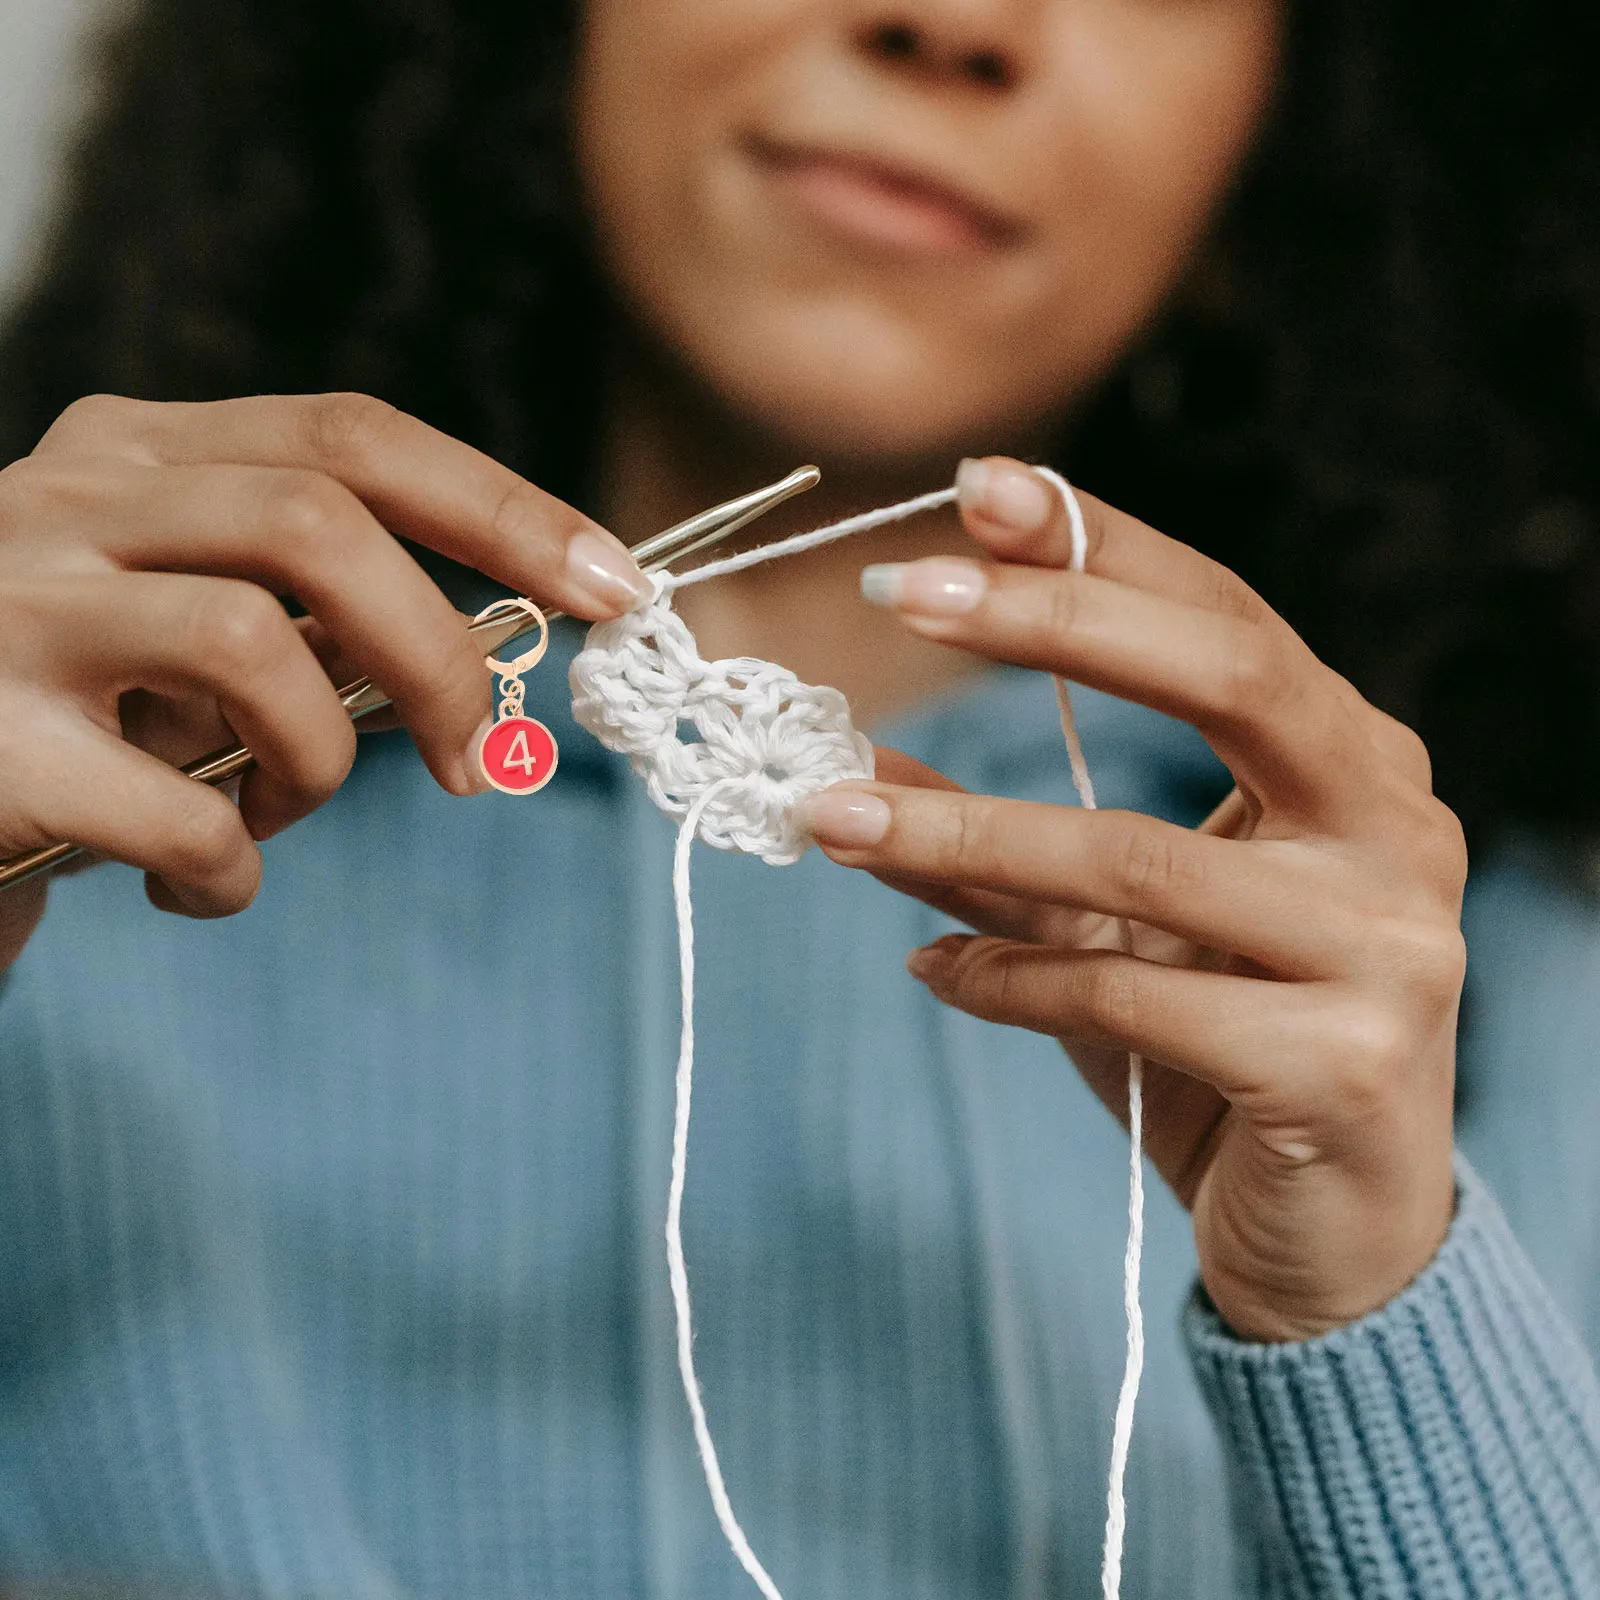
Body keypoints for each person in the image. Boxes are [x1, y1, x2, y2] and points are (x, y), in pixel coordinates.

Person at [0, 0, 1597, 1595]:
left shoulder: (1490, 1010)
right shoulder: (77, 838)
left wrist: (1381, 1322)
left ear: (1300, 130)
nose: (958, 21)